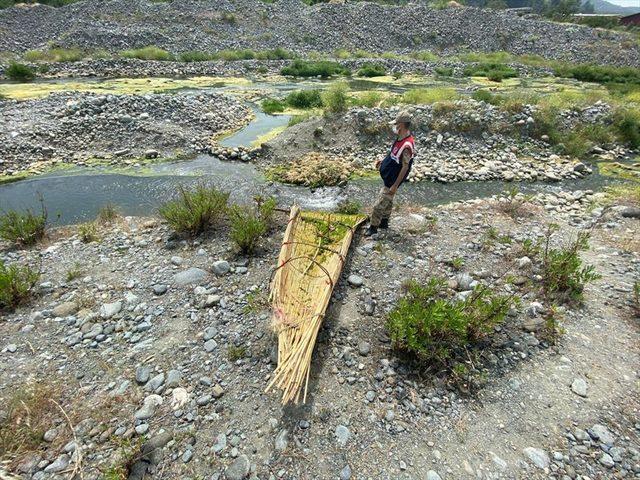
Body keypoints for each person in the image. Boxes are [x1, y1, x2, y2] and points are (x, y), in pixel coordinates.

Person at [365, 110, 416, 236]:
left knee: (378, 205)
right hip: (389, 177)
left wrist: (395, 185)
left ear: (402, 124)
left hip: (393, 180)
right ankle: (384, 222)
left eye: (396, 124)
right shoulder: (400, 138)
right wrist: (383, 161)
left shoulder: (407, 145)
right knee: (388, 201)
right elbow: (393, 153)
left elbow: (405, 167)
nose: (395, 126)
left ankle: (373, 228)